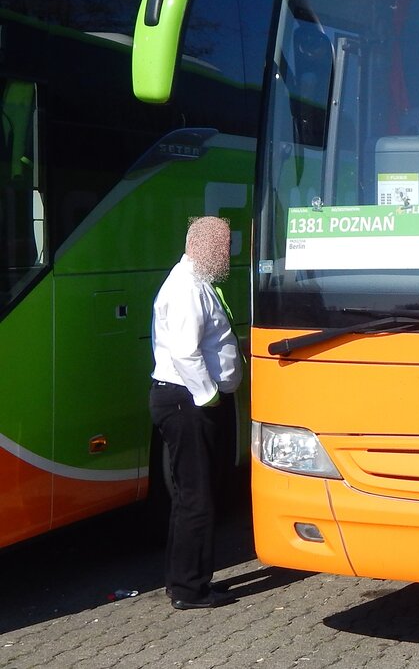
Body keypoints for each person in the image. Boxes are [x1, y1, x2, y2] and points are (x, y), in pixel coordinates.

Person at [149, 216, 242, 610]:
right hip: (189, 401)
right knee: (197, 497)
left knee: (193, 495)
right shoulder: (187, 287)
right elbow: (185, 352)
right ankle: (190, 589)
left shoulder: (196, 282)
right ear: (201, 245)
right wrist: (209, 398)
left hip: (189, 400)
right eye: (222, 246)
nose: (227, 254)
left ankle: (186, 581)